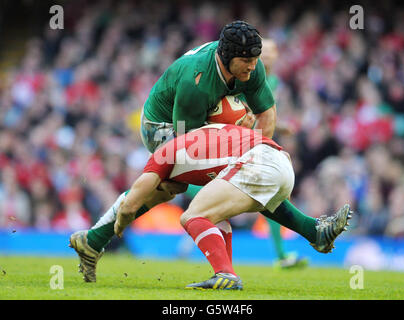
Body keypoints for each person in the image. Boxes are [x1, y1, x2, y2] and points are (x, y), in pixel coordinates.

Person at [68, 20, 350, 283]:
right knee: (169, 185)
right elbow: (183, 143)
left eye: (256, 60)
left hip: (204, 124)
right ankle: (97, 240)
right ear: (227, 56)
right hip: (163, 125)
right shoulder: (196, 82)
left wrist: (255, 153)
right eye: (247, 61)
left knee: (245, 179)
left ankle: (93, 242)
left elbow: (267, 112)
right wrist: (238, 150)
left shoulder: (252, 67)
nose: (253, 67)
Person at [70, 112, 352, 288]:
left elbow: (133, 201)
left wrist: (119, 224)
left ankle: (225, 276)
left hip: (259, 163)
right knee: (216, 212)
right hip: (279, 160)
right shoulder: (202, 136)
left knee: (192, 216)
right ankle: (315, 231)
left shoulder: (166, 153)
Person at [260, 38, 309, 269]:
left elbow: (264, 113)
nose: (268, 55)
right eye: (263, 51)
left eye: (272, 51)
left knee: (274, 196)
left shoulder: (274, 81)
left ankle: (281, 255)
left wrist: (280, 127)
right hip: (241, 141)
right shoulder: (248, 76)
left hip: (259, 141)